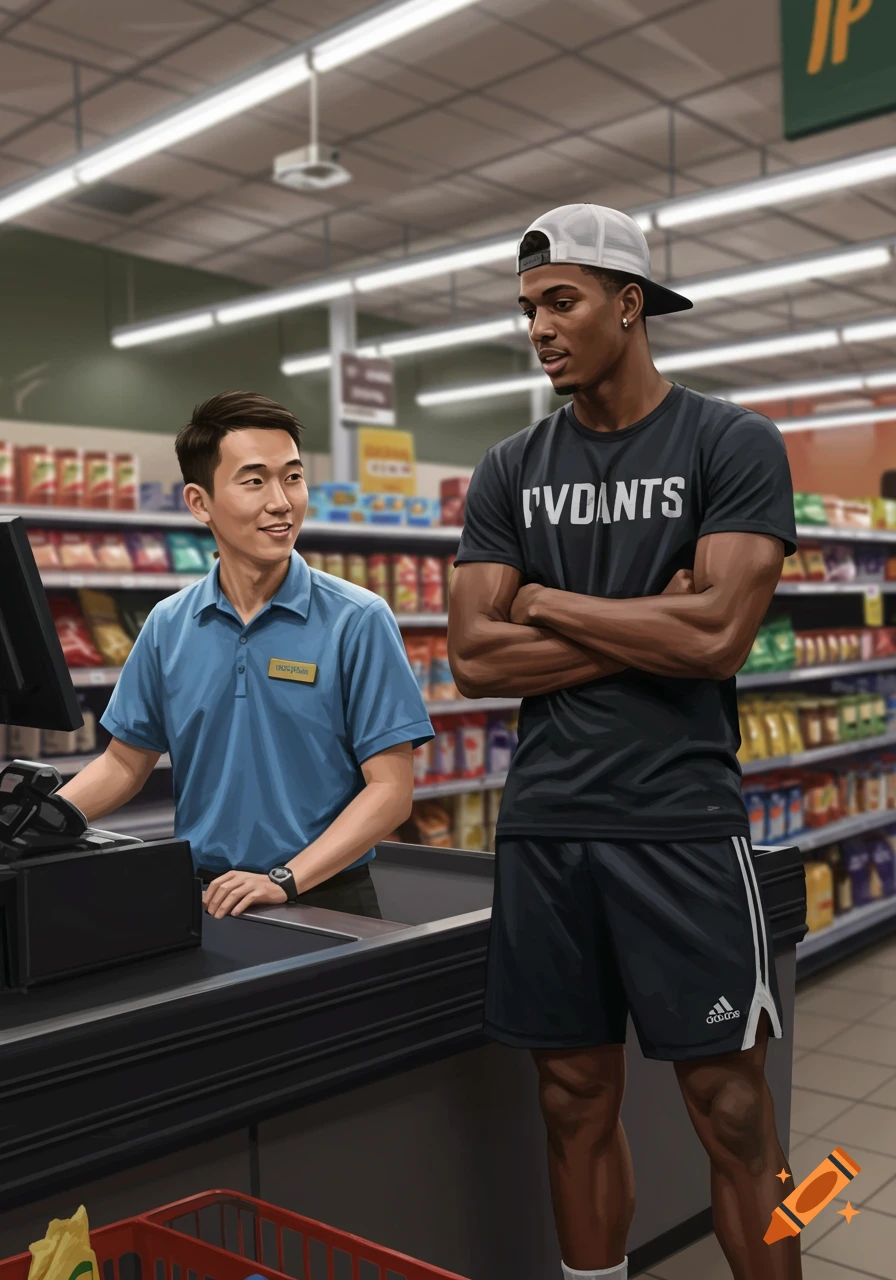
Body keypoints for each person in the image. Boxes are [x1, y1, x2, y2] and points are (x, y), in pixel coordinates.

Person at [447, 204, 801, 1280]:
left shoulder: (728, 443)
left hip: (680, 824)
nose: (539, 328)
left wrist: (546, 604)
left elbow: (716, 632)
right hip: (548, 825)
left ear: (627, 303)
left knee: (733, 1110)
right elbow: (474, 655)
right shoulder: (507, 467)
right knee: (570, 1098)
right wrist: (637, 617)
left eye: (561, 301)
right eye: (527, 309)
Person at [60, 391, 433, 920]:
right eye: (254, 480)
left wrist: (285, 879)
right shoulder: (169, 625)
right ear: (199, 502)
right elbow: (125, 761)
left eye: (293, 477)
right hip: (204, 896)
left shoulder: (358, 618)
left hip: (326, 895)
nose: (281, 501)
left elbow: (391, 792)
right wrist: (44, 820)